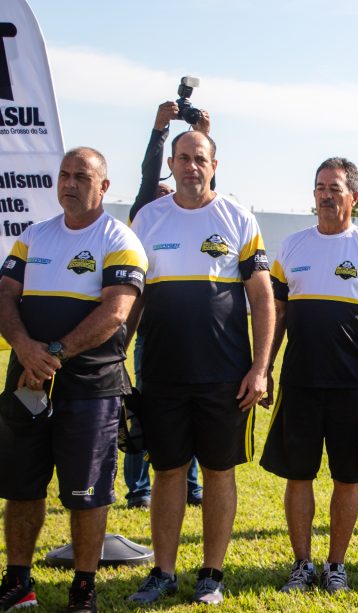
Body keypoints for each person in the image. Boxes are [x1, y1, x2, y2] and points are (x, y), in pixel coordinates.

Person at [127, 131, 273, 606]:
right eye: (184, 158)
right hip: (162, 374)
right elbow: (133, 297)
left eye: (200, 159)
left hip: (225, 375)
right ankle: (163, 572)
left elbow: (262, 296)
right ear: (171, 163)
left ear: (215, 165)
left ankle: (212, 573)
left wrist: (260, 367)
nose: (192, 166)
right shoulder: (147, 218)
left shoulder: (238, 217)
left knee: (218, 472)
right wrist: (116, 357)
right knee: (167, 472)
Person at [0, 148, 147, 612]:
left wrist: (55, 354)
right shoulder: (32, 236)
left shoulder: (119, 239)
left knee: (87, 492)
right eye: (64, 175)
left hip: (90, 386)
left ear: (103, 187)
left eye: (81, 176)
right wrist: (25, 348)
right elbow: (5, 295)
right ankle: (18, 581)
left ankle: (83, 588)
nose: (69, 183)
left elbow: (116, 312)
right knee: (21, 484)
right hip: (26, 379)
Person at [259, 157, 358, 593]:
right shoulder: (293, 246)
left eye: (335, 188)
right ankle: (302, 564)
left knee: (346, 478)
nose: (325, 195)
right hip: (299, 382)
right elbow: (276, 313)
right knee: (298, 476)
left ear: (353, 196)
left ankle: (336, 565)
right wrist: (265, 368)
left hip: (351, 387)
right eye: (320, 187)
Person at [123, 101, 212, 510]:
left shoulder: (202, 206)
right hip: (152, 339)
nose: (167, 194)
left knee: (190, 418)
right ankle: (140, 487)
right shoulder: (147, 214)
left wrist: (207, 133)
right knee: (148, 411)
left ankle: (192, 484)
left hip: (199, 346)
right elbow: (150, 174)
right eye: (161, 188)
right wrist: (159, 130)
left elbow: (205, 175)